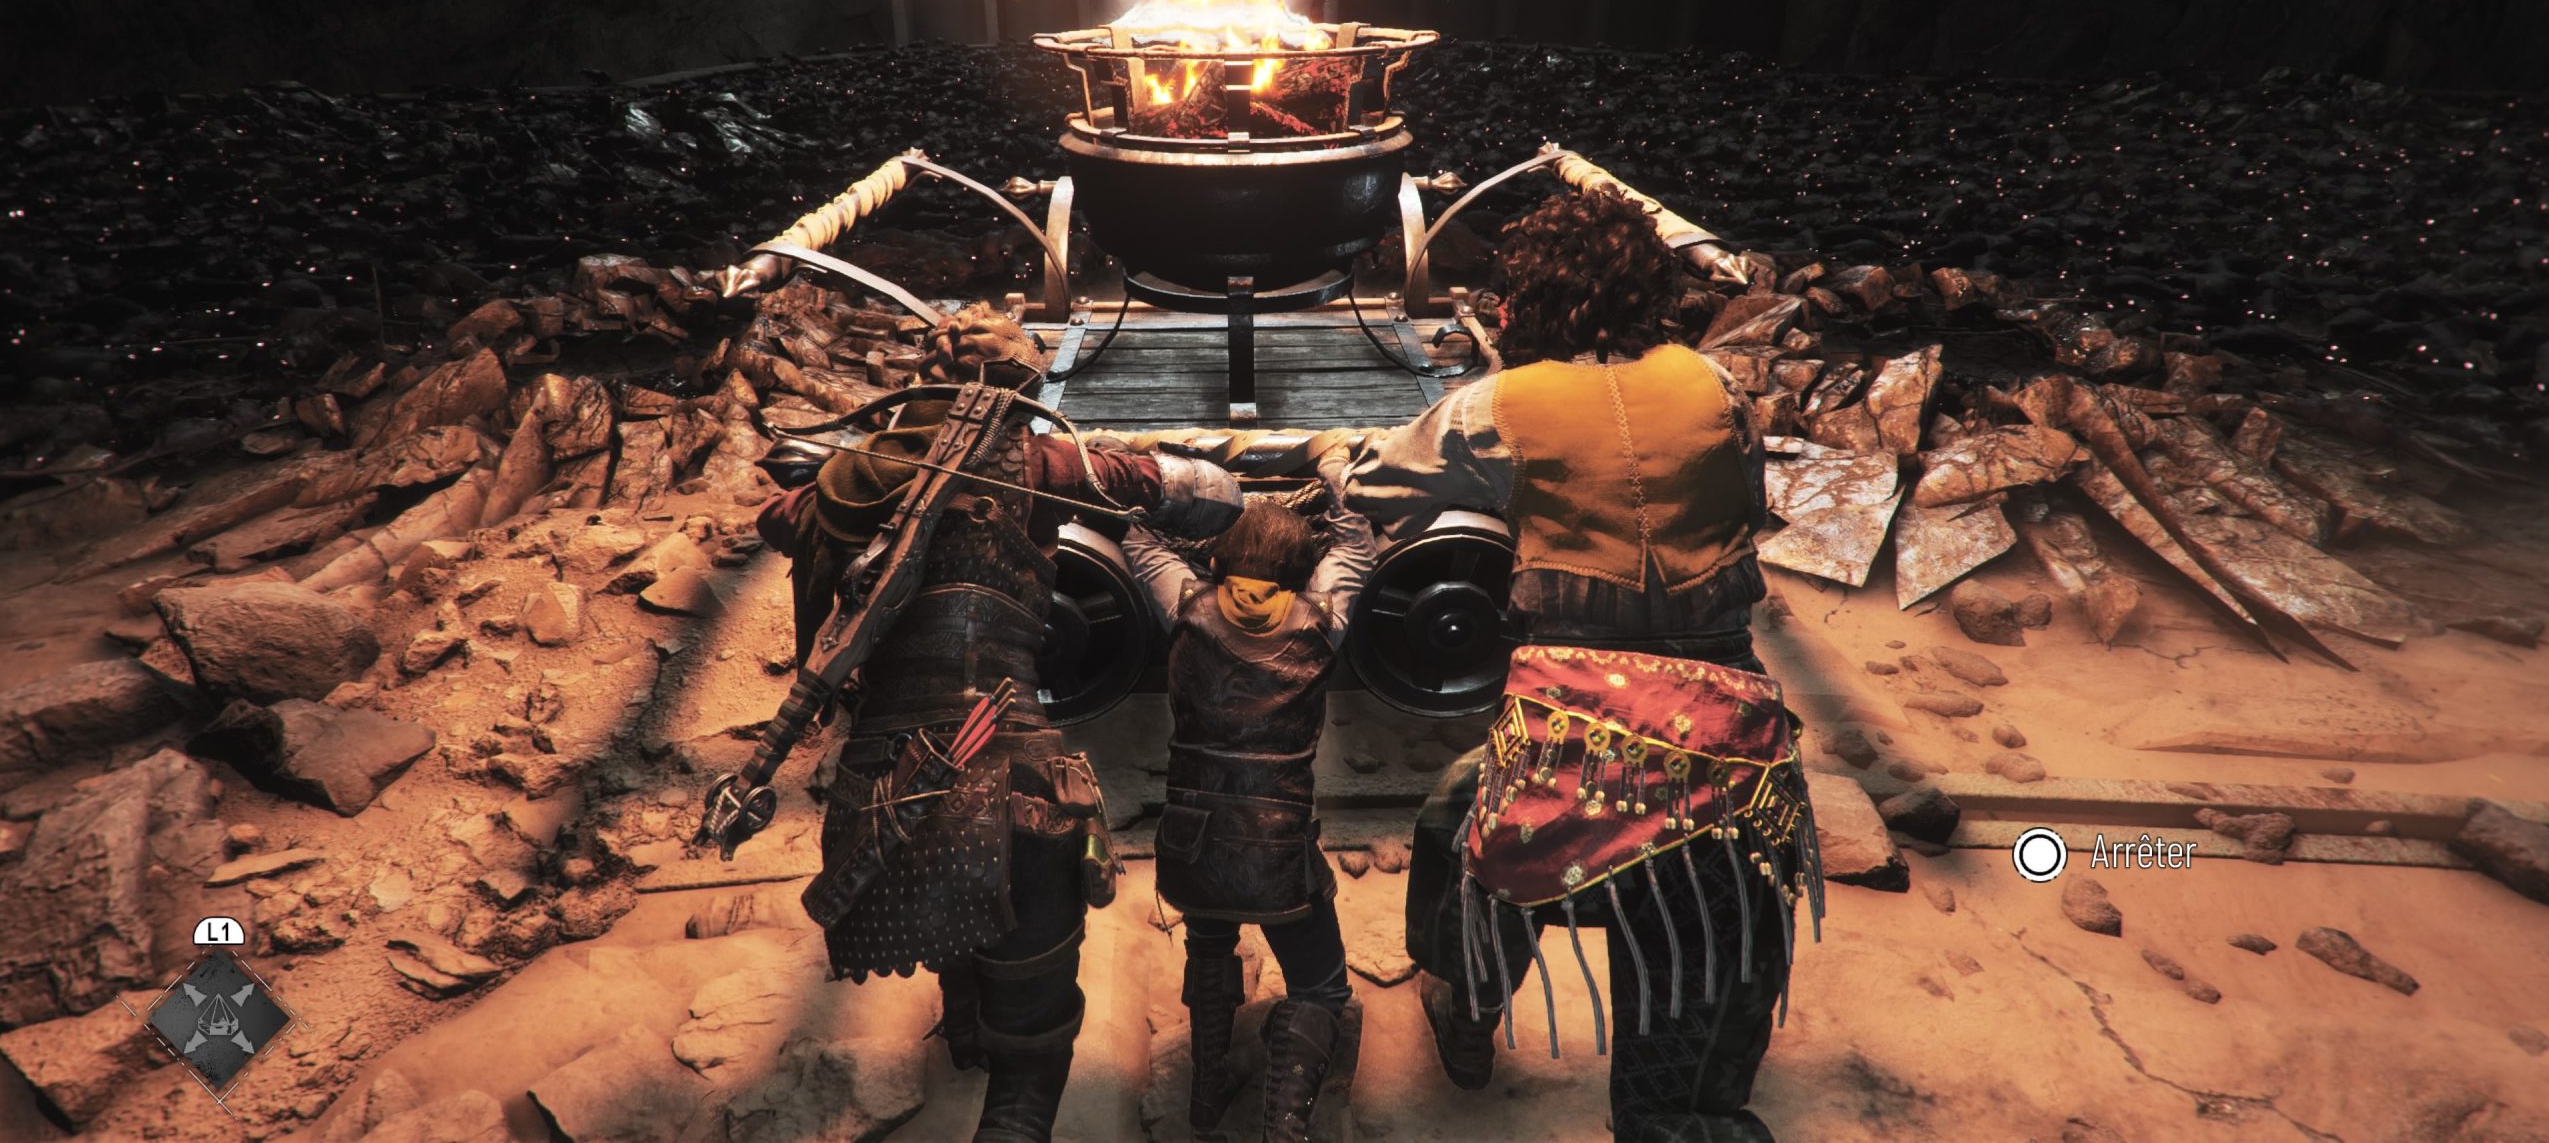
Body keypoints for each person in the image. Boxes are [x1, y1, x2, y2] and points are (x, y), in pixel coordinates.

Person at [1344, 185, 1817, 1143]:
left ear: (1521, 303)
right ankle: (1689, 1102)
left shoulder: (1496, 405)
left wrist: (1337, 459)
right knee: (1696, 1024)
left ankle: (1467, 1009)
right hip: (1726, 745)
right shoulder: (1711, 385)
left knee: (1458, 822)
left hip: (1572, 744)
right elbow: (1749, 501)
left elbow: (1374, 488)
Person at [757, 303, 1243, 1143]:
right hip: (1008, 774)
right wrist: (1106, 463)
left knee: (941, 884)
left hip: (880, 777)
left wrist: (838, 476)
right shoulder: (1040, 464)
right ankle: (1009, 1092)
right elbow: (1215, 498)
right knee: (1031, 1043)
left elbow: (776, 521)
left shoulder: (843, 484)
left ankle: (965, 1025)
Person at [1121, 450, 1376, 1143]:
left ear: (1218, 562)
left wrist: (1203, 491)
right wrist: (1332, 469)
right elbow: (1357, 542)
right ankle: (1283, 1129)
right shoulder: (1323, 617)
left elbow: (1138, 532)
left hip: (1191, 836)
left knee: (1210, 946)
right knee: (1321, 989)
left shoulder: (1185, 603)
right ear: (1300, 574)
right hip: (1276, 844)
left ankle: (1206, 1095)